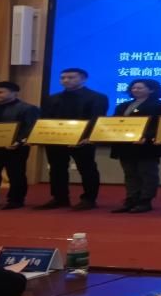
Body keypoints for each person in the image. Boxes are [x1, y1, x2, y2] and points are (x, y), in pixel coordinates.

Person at [37, 68, 109, 210]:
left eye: (71, 77)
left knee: (87, 169)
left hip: (83, 140)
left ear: (83, 79)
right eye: (63, 78)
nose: (66, 80)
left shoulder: (97, 97)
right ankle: (59, 198)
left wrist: (88, 137)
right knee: (56, 169)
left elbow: (97, 119)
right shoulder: (52, 98)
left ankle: (89, 199)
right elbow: (45, 119)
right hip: (56, 139)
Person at [109, 79, 161, 214]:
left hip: (146, 146)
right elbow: (115, 122)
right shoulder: (124, 105)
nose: (135, 90)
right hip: (126, 145)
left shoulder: (160, 105)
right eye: (133, 88)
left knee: (147, 173)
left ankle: (145, 200)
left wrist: (147, 136)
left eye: (140, 88)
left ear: (152, 90)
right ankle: (131, 199)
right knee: (130, 173)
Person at [0, 82, 40, 210]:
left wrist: (19, 141)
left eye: (0, 92)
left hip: (15, 147)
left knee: (16, 174)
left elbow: (31, 127)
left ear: (14, 93)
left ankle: (16, 200)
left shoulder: (28, 109)